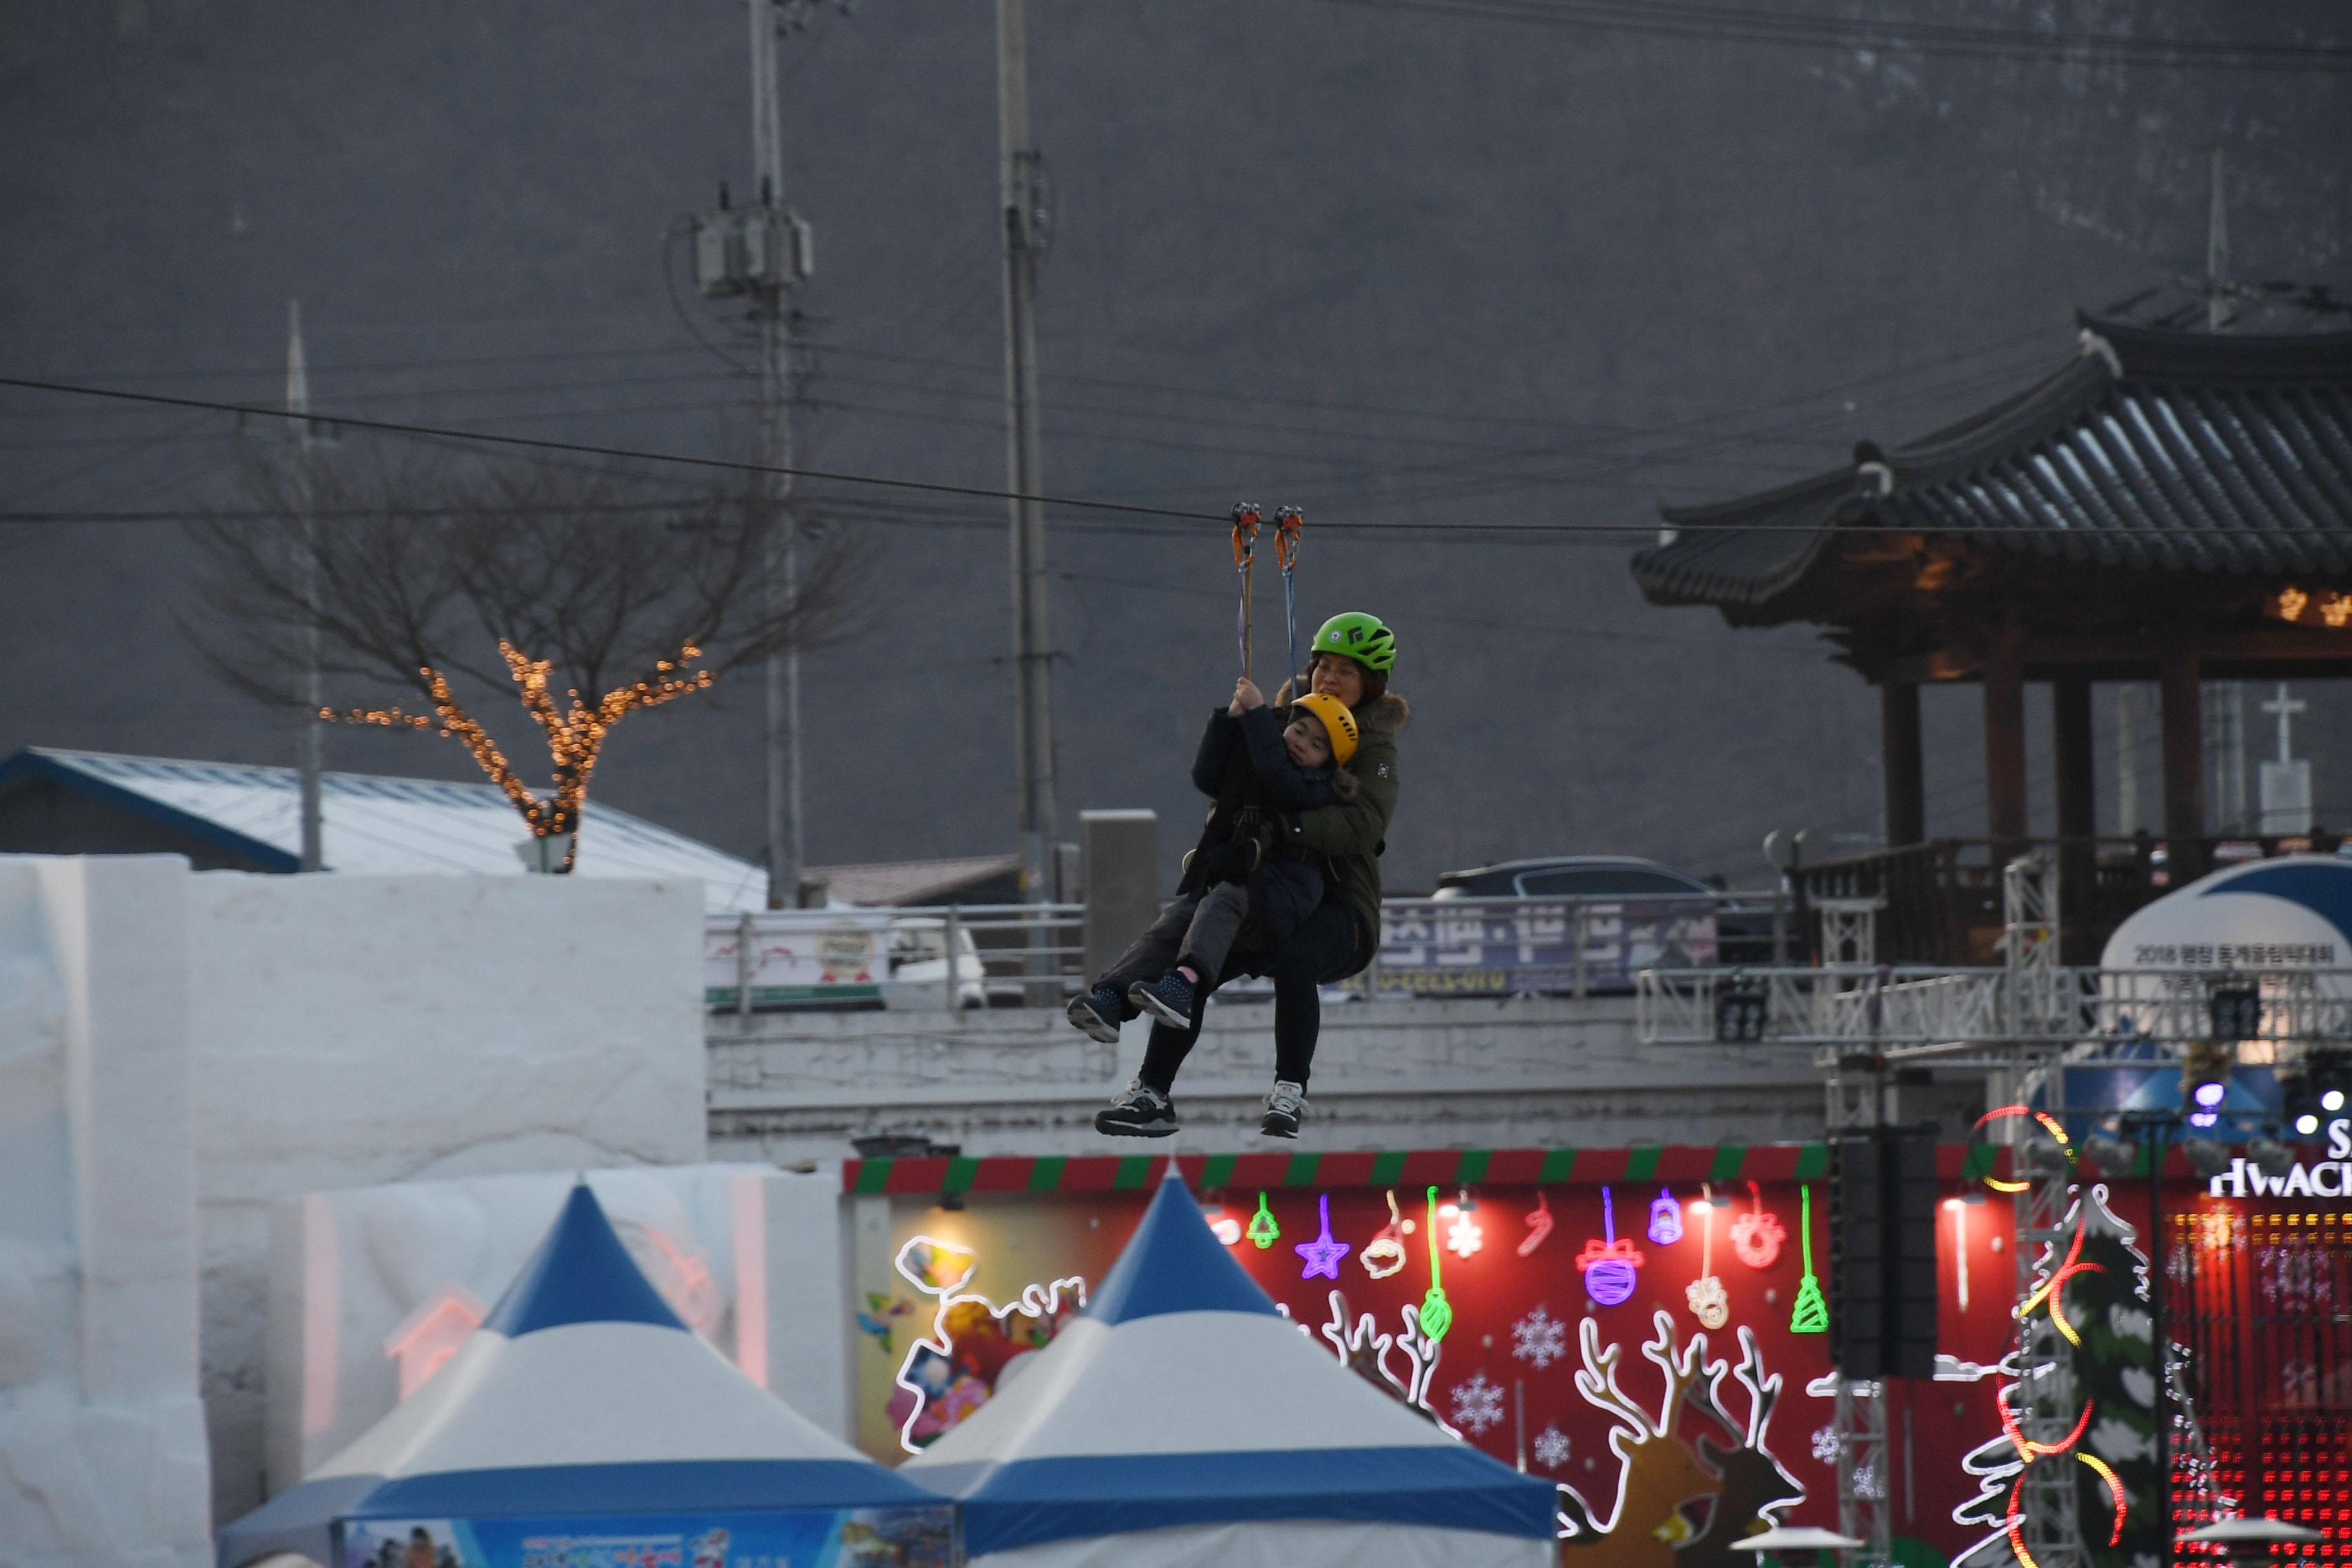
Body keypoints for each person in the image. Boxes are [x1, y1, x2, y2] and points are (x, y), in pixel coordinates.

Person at [1080, 610, 1405, 1140]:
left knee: (1296, 961)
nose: (1330, 678)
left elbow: (1362, 823)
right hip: (1262, 889)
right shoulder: (1287, 719)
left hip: (1334, 903)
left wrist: (1285, 829)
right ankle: (1151, 1091)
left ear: (1370, 683)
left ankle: (1289, 1090)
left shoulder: (1372, 749)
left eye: (1347, 671)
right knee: (1193, 959)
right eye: (1325, 665)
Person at [1068, 677, 1360, 1040]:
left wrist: (1256, 716)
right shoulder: (1263, 760)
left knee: (1223, 899)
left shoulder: (1315, 788)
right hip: (1243, 885)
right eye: (1298, 731)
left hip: (1282, 898)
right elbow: (1209, 776)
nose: (1302, 745)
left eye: (1317, 746)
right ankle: (1112, 996)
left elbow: (1278, 778)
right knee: (1174, 922)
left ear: (1329, 763)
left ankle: (1185, 982)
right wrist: (1229, 720)